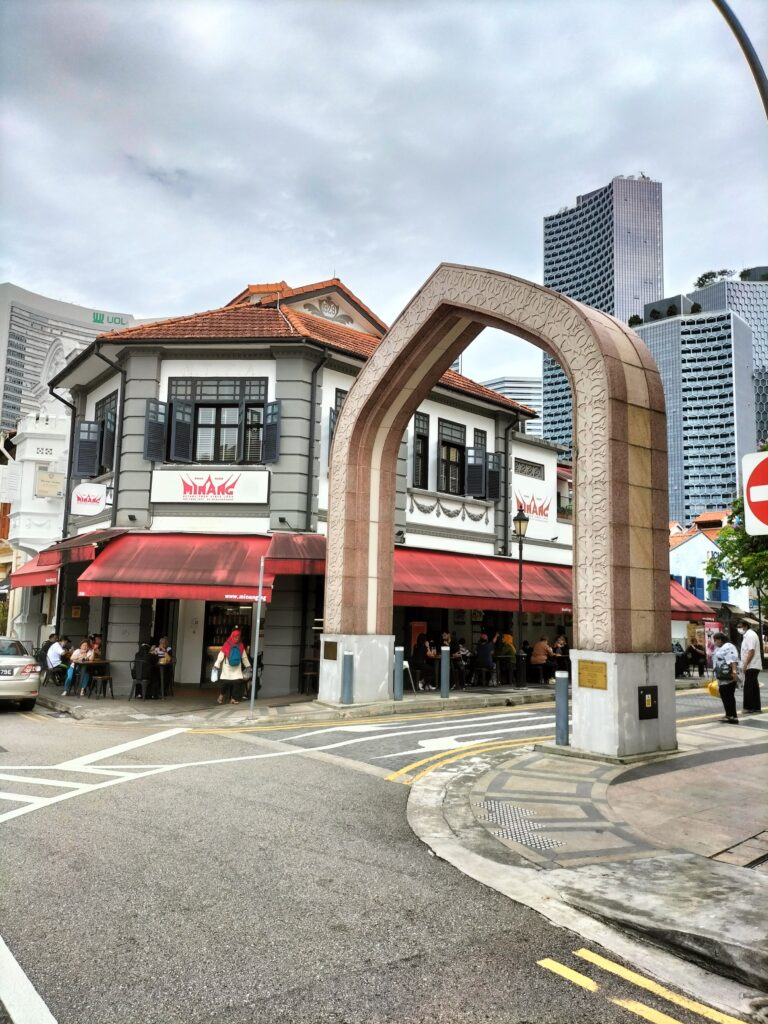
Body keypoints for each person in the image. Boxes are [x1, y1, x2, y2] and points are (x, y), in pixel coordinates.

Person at [214, 628, 251, 705]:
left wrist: (248, 666)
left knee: (237, 682)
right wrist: (216, 664)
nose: (237, 639)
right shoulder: (227, 644)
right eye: (235, 637)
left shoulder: (241, 645)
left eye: (238, 637)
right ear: (232, 636)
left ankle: (233, 699)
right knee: (226, 683)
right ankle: (221, 696)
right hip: (227, 667)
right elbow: (221, 655)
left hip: (236, 667)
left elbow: (244, 657)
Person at [711, 631, 740, 724]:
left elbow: (733, 660)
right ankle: (729, 715)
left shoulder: (728, 646)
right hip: (722, 677)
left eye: (715, 640)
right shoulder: (720, 648)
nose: (714, 642)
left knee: (729, 696)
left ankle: (733, 716)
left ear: (720, 640)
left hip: (728, 676)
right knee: (724, 696)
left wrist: (734, 672)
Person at [737, 620, 763, 714]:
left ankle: (748, 708)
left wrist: (745, 664)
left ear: (745, 626)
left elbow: (751, 651)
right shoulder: (748, 635)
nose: (739, 628)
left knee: (748, 686)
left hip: (751, 665)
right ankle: (756, 707)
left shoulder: (750, 635)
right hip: (752, 665)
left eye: (740, 626)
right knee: (754, 686)